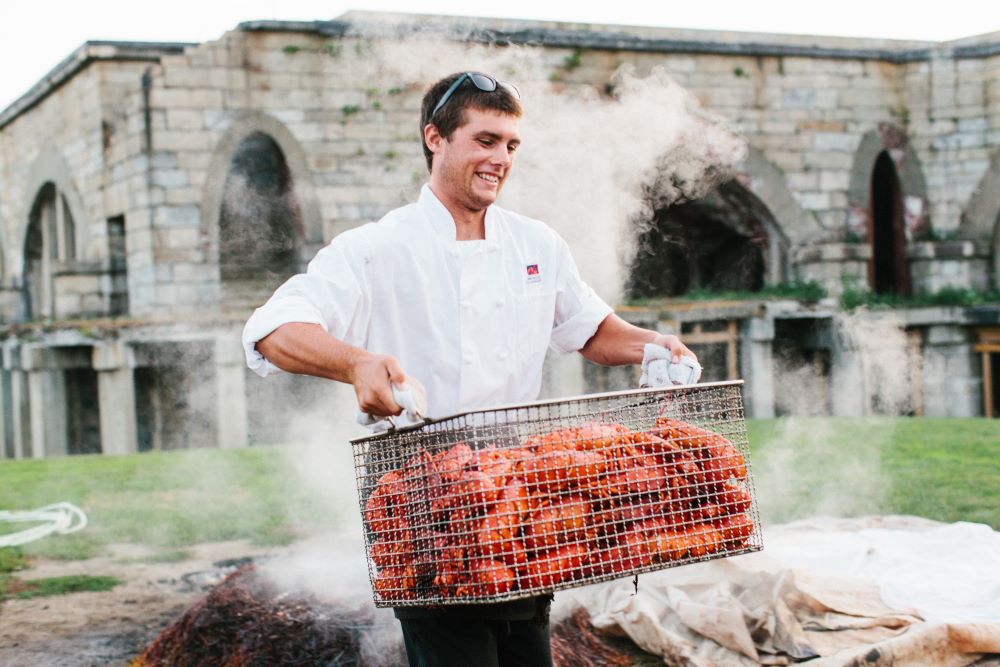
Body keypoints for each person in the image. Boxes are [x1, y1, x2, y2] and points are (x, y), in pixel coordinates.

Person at [243, 71, 697, 667]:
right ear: (435, 138)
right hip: (427, 504)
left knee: (528, 654)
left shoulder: (537, 245)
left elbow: (590, 330)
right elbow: (275, 332)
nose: (500, 158)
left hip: (521, 497)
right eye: (485, 140)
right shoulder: (375, 248)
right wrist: (357, 362)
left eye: (511, 145)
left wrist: (653, 345)